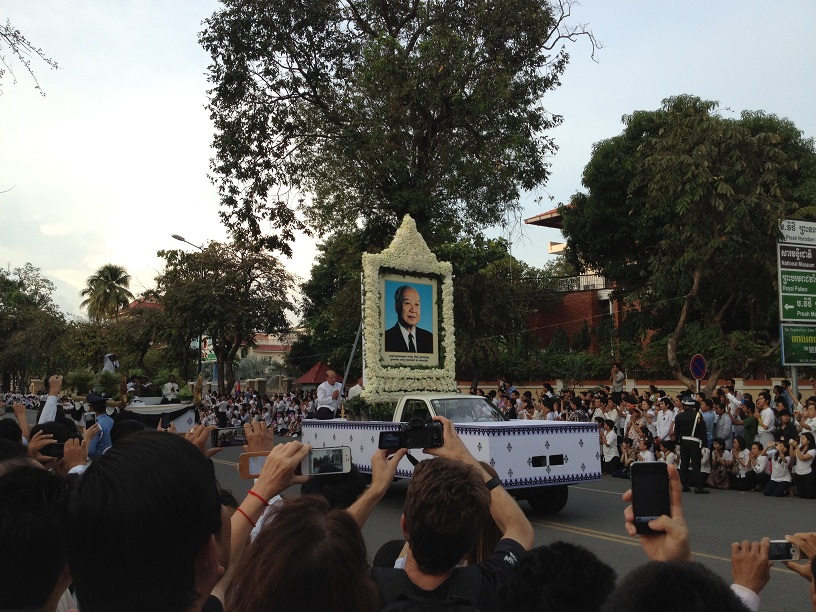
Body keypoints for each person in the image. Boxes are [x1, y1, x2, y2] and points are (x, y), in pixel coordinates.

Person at [355, 416, 534, 610]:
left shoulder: (367, 590)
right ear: (473, 536)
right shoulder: (488, 585)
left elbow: (327, 540)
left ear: (405, 526)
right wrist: (466, 458)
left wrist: (376, 489)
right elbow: (520, 529)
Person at [384, 285, 434, 353]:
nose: (413, 310)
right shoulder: (385, 339)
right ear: (396, 307)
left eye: (416, 304)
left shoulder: (430, 338)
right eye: (407, 303)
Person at [674, 396, 709, 494]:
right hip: (695, 441)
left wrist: (677, 443)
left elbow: (677, 432)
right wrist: (705, 444)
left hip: (684, 441)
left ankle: (683, 485)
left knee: (684, 463)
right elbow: (703, 431)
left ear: (684, 406)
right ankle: (698, 487)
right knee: (696, 464)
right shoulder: (698, 415)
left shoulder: (678, 416)